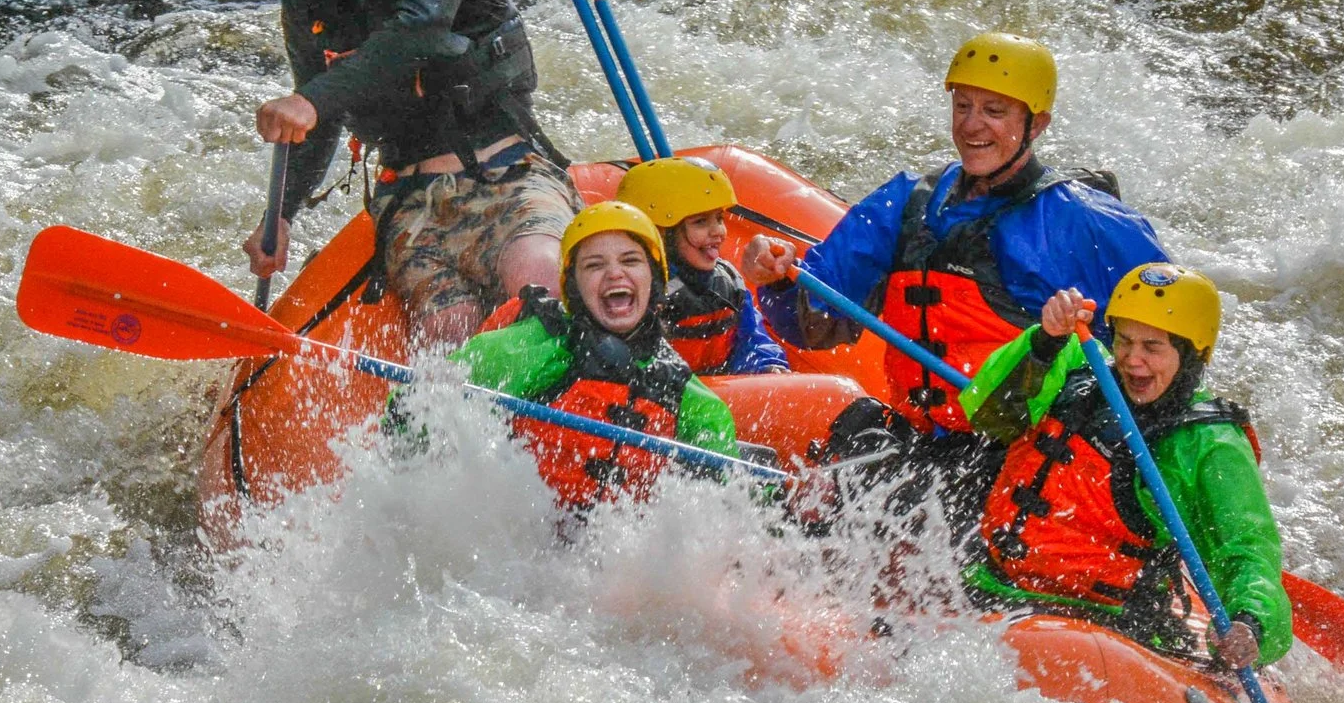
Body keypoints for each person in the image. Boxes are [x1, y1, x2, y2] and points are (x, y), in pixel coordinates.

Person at [737, 32, 1168, 521]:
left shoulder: (1088, 222)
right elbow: (809, 322)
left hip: (1023, 454)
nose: (972, 125)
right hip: (920, 440)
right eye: (962, 106)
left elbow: (1166, 345)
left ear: (1037, 124)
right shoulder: (906, 204)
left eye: (994, 111)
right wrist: (774, 277)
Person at [246, 0, 579, 348]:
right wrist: (283, 213)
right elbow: (317, 115)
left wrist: (312, 99)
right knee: (443, 334)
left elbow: (417, 32)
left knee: (539, 281)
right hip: (412, 204)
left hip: (507, 175)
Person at [959, 263, 1291, 671]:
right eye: (1124, 340)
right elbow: (987, 415)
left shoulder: (1209, 444)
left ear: (1190, 354)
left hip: (1109, 625)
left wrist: (1250, 622)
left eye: (1153, 347)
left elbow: (1247, 549)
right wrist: (1044, 342)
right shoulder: (1077, 367)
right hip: (993, 585)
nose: (1132, 359)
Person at [449, 202, 740, 509]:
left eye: (630, 260)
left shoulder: (683, 390)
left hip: (613, 546)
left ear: (653, 281)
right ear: (574, 287)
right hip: (519, 527)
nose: (615, 273)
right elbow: (431, 401)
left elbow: (726, 494)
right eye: (594, 265)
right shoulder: (531, 345)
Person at [616, 156, 790, 376]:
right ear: (658, 232)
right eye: (700, 222)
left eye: (719, 218)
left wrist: (765, 365)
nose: (719, 231)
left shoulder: (727, 282)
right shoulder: (639, 296)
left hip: (720, 397)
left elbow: (752, 339)